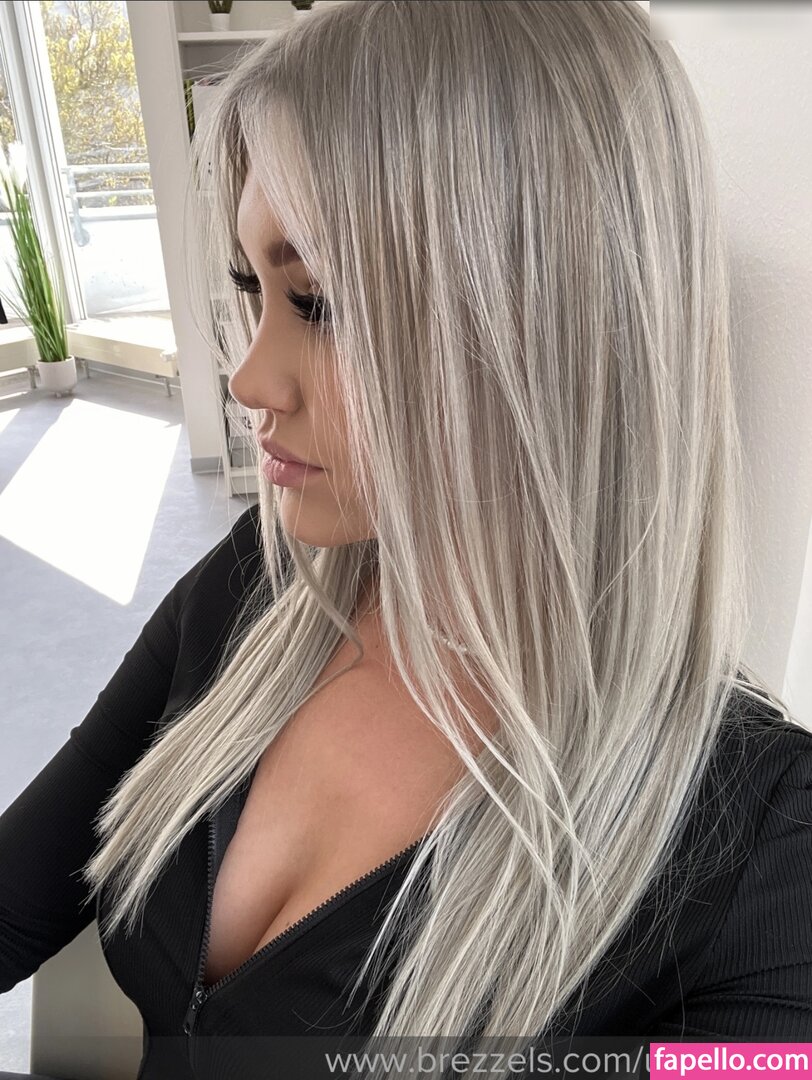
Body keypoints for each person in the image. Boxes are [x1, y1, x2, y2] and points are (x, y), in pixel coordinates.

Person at [1, 2, 811, 1078]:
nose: (251, 379)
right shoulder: (262, 589)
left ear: (545, 324)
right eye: (253, 289)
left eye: (319, 302)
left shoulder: (760, 857)